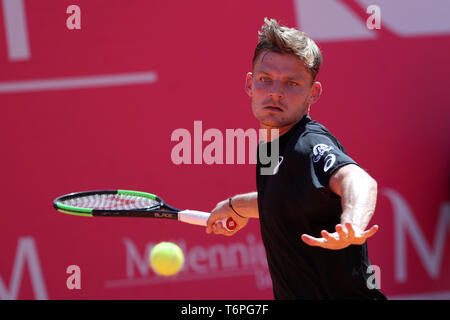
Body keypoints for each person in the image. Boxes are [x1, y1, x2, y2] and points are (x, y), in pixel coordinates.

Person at [206, 18, 386, 300]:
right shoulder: (269, 144)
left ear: (312, 93)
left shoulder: (309, 144)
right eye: (266, 79)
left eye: (291, 83)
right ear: (250, 84)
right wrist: (236, 207)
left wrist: (352, 222)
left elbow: (359, 180)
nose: (276, 91)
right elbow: (287, 197)